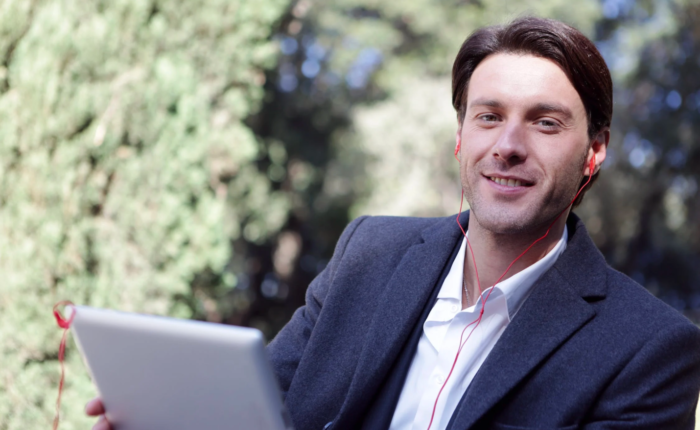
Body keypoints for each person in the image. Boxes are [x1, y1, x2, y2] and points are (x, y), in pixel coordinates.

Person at [87, 16, 700, 430]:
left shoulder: (650, 350)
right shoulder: (367, 253)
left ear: (594, 151)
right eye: (488, 116)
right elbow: (260, 411)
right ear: (460, 137)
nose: (508, 145)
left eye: (545, 123)